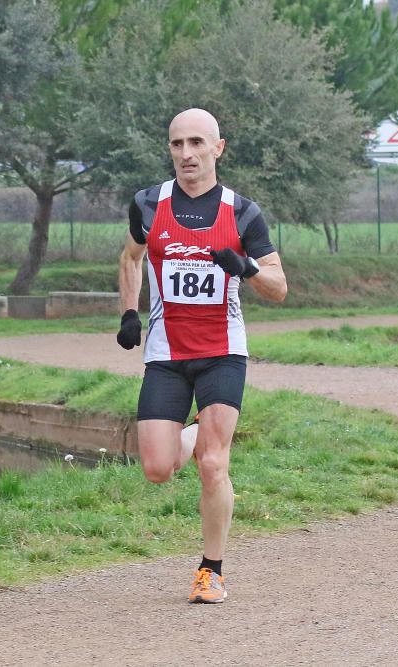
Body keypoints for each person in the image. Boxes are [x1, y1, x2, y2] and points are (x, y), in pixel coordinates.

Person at [116, 108, 287, 604]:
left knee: (214, 464)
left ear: (218, 148)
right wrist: (129, 312)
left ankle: (210, 571)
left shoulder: (243, 213)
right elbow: (129, 257)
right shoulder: (148, 204)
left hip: (222, 353)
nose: (186, 154)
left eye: (196, 143)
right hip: (166, 353)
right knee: (156, 468)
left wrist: (248, 266)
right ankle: (192, 432)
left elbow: (278, 288)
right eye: (176, 144)